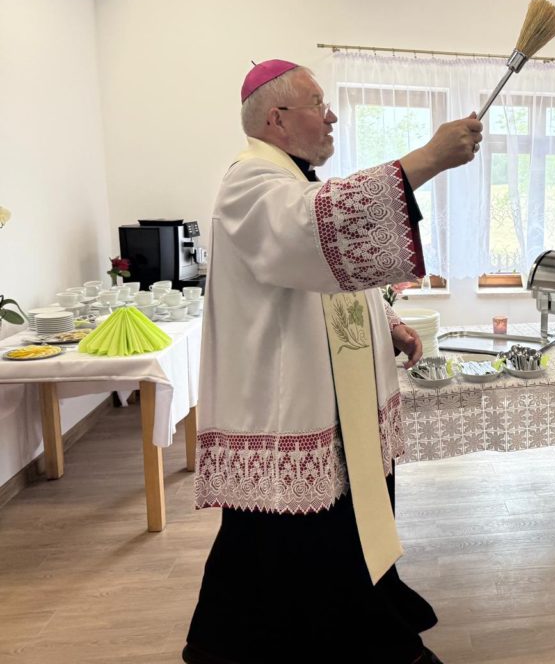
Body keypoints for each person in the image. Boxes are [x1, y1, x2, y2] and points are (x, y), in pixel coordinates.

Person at [183, 60, 483, 664]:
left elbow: (330, 269)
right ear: (276, 118)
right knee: (282, 535)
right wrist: (426, 159)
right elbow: (310, 232)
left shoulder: (292, 180)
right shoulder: (250, 180)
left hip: (332, 395)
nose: (332, 116)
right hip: (286, 401)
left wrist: (388, 322)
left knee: (315, 533)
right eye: (317, 104)